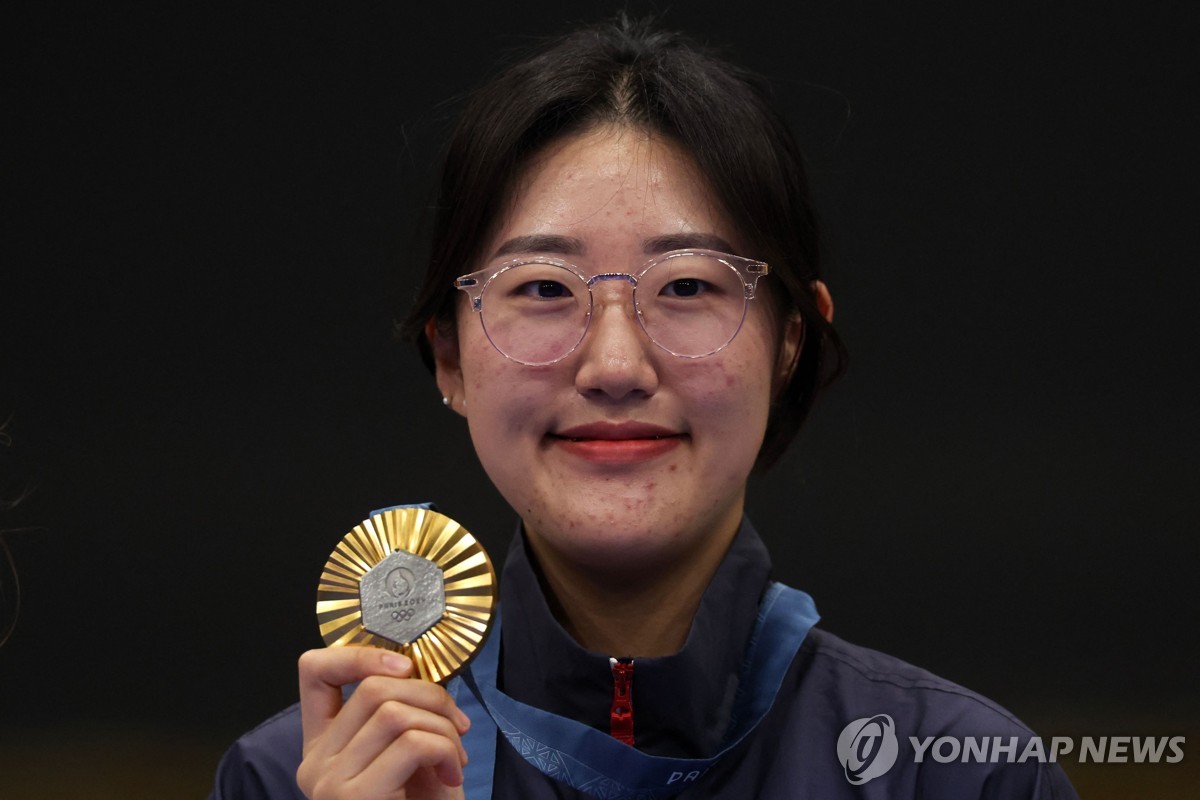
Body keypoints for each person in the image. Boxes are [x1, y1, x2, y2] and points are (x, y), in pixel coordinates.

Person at [211, 16, 1078, 799]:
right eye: (545, 288)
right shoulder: (292, 783)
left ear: (791, 343)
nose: (616, 365)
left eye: (689, 285)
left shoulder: (961, 776)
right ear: (449, 356)